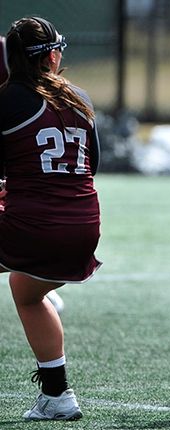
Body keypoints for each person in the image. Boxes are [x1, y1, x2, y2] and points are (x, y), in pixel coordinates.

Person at [0, 16, 102, 420]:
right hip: (84, 227)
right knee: (27, 292)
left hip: (34, 228)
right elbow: (90, 166)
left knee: (26, 283)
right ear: (53, 56)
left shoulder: (7, 100)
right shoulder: (81, 97)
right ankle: (57, 396)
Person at [0, 34, 65, 315]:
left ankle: (35, 280)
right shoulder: (76, 96)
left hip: (31, 208)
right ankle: (36, 284)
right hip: (77, 222)